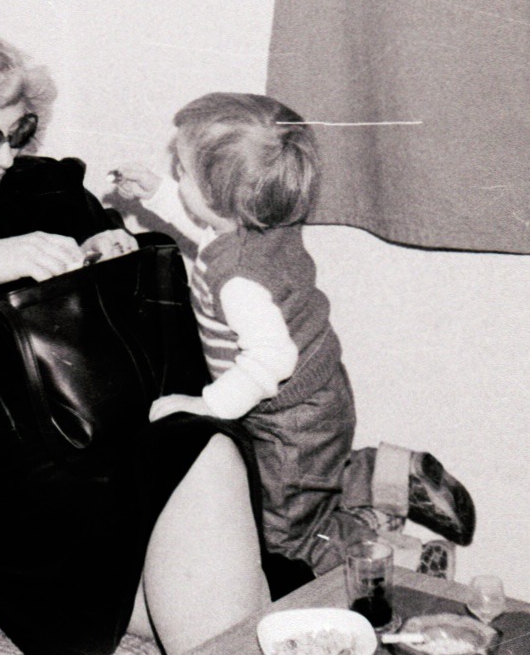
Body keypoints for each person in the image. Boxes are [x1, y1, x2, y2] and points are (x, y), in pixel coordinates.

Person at [0, 25, 267, 655]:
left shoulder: (46, 187)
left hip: (114, 436)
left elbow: (130, 299)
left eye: (16, 132)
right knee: (224, 569)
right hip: (14, 496)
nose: (4, 159)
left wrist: (112, 249)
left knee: (205, 442)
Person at [113, 92, 476, 576]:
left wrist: (209, 405)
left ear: (216, 194)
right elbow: (208, 234)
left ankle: (408, 565)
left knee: (287, 534)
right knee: (309, 480)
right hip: (319, 398)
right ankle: (389, 475)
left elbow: (271, 360)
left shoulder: (239, 278)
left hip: (287, 417)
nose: (176, 176)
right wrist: (159, 193)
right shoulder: (261, 229)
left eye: (181, 170)